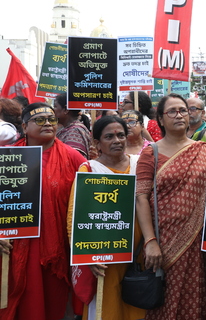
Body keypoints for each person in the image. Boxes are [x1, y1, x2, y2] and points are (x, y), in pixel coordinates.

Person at [0, 103, 86, 320]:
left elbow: (89, 199)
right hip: (12, 247)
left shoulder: (73, 158)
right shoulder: (8, 158)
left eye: (52, 119)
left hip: (54, 249)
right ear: (24, 127)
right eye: (40, 120)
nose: (48, 123)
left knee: (52, 304)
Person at [136, 94, 206, 319]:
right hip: (162, 242)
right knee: (163, 302)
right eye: (172, 111)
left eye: (183, 110)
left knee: (195, 298)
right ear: (160, 119)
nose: (179, 115)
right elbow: (141, 198)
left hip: (197, 243)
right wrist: (150, 241)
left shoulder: (204, 151)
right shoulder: (151, 153)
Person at [67, 115, 145, 320]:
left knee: (137, 304)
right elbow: (75, 216)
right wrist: (86, 258)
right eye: (109, 136)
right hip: (104, 256)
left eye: (121, 135)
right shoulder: (89, 170)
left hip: (139, 253)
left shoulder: (140, 164)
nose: (116, 140)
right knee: (106, 307)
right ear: (96, 143)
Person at [54, 93, 92, 159]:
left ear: (66, 110)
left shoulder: (75, 132)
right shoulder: (69, 129)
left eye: (55, 106)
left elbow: (71, 161)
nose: (52, 110)